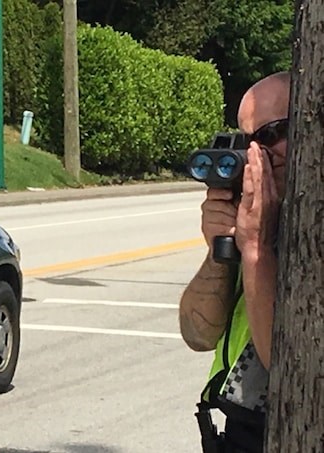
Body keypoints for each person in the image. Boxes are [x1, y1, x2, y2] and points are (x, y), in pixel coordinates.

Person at [179, 71, 291, 453]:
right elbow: (197, 335)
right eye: (248, 141)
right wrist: (221, 249)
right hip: (238, 432)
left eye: (271, 135)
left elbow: (286, 366)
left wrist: (257, 248)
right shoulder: (260, 218)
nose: (256, 155)